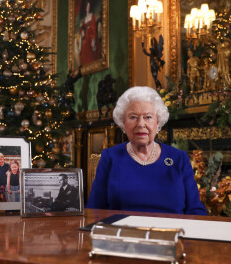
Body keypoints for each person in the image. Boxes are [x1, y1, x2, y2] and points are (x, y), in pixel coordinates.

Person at [86, 86, 207, 215]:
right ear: (123, 123)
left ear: (157, 122)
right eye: (133, 117)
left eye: (148, 117)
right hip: (122, 232)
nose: (141, 124)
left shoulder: (179, 158)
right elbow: (94, 209)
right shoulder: (110, 157)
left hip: (171, 233)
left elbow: (195, 209)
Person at [79, 0, 100, 66]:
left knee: (88, 45)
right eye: (87, 6)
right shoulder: (84, 19)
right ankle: (85, 65)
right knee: (84, 45)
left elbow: (94, 27)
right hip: (86, 36)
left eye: (89, 6)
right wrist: (82, 31)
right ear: (85, 8)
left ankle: (91, 64)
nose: (88, 8)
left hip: (92, 35)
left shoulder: (92, 16)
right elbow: (82, 28)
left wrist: (93, 39)